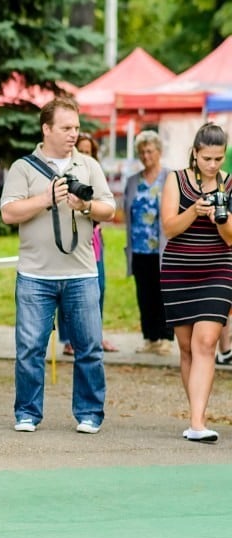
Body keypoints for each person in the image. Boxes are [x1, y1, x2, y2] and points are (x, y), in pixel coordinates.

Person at [0, 97, 116, 434]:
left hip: (81, 273)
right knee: (29, 349)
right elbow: (9, 213)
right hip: (35, 274)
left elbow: (109, 209)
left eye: (76, 127)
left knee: (89, 348)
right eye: (66, 128)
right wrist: (46, 198)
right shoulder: (23, 168)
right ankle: (27, 413)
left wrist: (86, 205)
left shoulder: (89, 165)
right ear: (46, 128)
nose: (73, 134)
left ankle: (90, 413)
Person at [159, 122, 232, 443]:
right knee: (187, 348)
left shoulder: (230, 184)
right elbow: (169, 228)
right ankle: (195, 415)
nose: (213, 165)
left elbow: (231, 239)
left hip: (218, 268)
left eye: (218, 159)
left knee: (206, 343)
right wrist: (194, 210)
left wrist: (221, 215)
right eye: (207, 159)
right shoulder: (175, 179)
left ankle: (198, 423)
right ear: (195, 154)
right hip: (179, 270)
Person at [59, 134, 119, 355]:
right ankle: (68, 339)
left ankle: (96, 333)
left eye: (88, 151)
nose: (85, 155)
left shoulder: (95, 173)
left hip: (94, 236)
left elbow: (107, 208)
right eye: (80, 150)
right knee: (66, 288)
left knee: (98, 286)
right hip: (69, 237)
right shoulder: (67, 173)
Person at [123, 130, 173, 356]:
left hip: (163, 248)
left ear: (159, 152)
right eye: (142, 152)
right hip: (140, 247)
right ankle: (150, 337)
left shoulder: (170, 178)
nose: (145, 155)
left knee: (164, 293)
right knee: (144, 294)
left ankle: (165, 338)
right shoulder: (133, 181)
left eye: (149, 151)